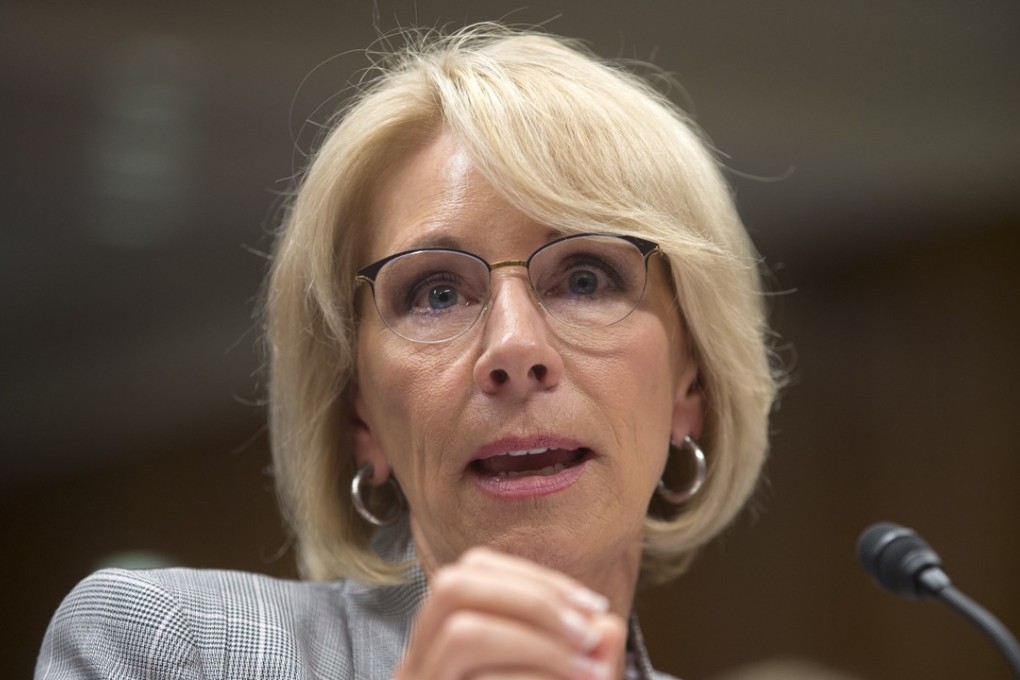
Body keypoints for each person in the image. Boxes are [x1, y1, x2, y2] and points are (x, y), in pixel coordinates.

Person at [37, 23, 778, 680]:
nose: (515, 348)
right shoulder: (174, 651)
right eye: (436, 294)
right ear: (360, 412)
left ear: (692, 386)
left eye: (585, 279)